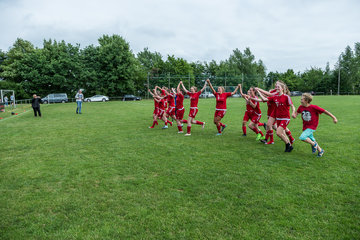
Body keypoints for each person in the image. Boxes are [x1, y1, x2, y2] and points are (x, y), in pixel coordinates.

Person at [253, 82, 296, 152]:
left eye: (278, 87)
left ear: (282, 88)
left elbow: (292, 105)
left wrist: (293, 112)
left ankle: (288, 144)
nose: (277, 88)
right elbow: (264, 99)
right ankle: (289, 145)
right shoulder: (275, 97)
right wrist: (258, 91)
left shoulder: (286, 97)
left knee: (278, 133)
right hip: (279, 118)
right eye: (276, 87)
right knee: (281, 133)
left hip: (285, 118)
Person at [292, 93, 337, 157]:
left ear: (306, 100)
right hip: (305, 126)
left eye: (302, 99)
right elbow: (297, 112)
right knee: (311, 139)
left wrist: (334, 118)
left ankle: (314, 145)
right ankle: (320, 150)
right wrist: (294, 115)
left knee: (302, 137)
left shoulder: (314, 107)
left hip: (312, 126)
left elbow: (325, 111)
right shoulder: (301, 107)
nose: (300, 101)